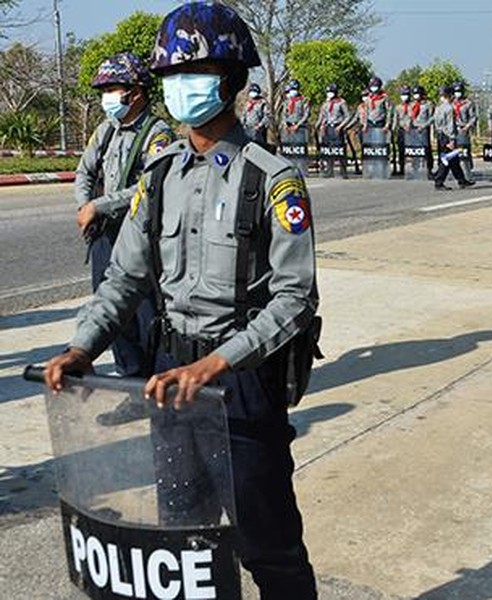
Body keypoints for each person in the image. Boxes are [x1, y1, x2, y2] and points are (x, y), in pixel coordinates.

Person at [44, 3, 321, 598]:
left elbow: (295, 298)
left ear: (232, 81)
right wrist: (81, 346)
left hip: (240, 383)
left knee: (268, 546)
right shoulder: (161, 176)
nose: (178, 86)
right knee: (183, 539)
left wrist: (219, 363)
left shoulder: (271, 179)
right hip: (171, 378)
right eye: (170, 74)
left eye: (192, 73)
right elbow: (125, 278)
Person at [75, 52, 175, 426]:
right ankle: (132, 387)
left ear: (136, 92)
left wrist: (99, 206)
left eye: (112, 89)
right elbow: (84, 170)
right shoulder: (106, 130)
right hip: (106, 235)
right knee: (111, 308)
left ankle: (154, 383)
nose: (107, 97)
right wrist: (85, 206)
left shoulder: (157, 133)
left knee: (145, 313)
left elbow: (149, 186)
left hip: (141, 235)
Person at [317, 83, 350, 179]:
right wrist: (321, 126)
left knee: (339, 149)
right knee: (328, 150)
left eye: (331, 92)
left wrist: (341, 126)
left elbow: (347, 116)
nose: (329, 94)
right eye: (328, 92)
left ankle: (343, 171)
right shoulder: (325, 104)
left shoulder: (341, 102)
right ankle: (329, 170)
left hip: (337, 128)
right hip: (328, 128)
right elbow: (323, 116)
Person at [281, 79, 310, 176]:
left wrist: (298, 125)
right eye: (291, 89)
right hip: (288, 128)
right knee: (290, 149)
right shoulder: (287, 101)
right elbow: (284, 114)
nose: (293, 91)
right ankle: (291, 171)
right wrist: (285, 123)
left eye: (295, 88)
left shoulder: (304, 100)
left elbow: (306, 114)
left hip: (300, 127)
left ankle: (302, 171)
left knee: (300, 149)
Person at [453, 82, 478, 178]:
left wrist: (467, 127)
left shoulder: (468, 103)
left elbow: (473, 117)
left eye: (459, 91)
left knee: (464, 151)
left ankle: (468, 173)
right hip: (454, 130)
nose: (457, 93)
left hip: (464, 130)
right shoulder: (452, 103)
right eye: (456, 91)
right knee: (455, 153)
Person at [412, 84, 436, 177]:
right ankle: (416, 169)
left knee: (426, 149)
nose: (416, 95)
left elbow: (432, 117)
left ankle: (429, 169)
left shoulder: (428, 104)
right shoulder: (413, 104)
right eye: (414, 94)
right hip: (414, 130)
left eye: (417, 93)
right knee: (415, 149)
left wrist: (424, 126)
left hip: (424, 129)